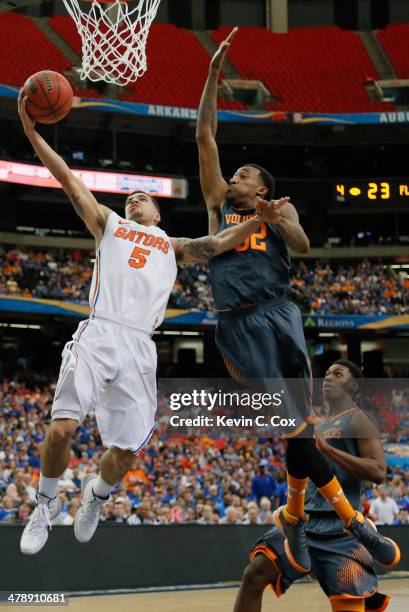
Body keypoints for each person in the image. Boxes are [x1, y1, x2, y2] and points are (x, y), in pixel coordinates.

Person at [17, 90, 272, 556]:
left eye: (145, 198)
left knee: (128, 450)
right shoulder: (108, 223)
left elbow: (216, 244)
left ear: (158, 214)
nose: (136, 198)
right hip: (100, 331)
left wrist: (257, 221)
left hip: (140, 345)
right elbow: (69, 180)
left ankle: (96, 495)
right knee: (61, 430)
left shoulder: (174, 245)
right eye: (131, 196)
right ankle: (44, 504)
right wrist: (33, 134)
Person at [196, 28, 399, 573]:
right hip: (239, 323)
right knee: (292, 422)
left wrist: (278, 220)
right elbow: (206, 139)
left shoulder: (278, 210)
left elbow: (306, 246)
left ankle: (295, 521)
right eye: (233, 174)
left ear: (260, 188)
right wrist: (212, 82)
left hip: (281, 312)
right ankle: (333, 521)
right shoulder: (218, 205)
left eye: (243, 175)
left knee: (301, 420)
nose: (232, 177)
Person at [233, 360, 400, 612]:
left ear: (353, 386)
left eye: (338, 374)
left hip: (341, 529)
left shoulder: (358, 420)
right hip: (305, 523)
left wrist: (328, 451)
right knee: (254, 574)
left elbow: (378, 472)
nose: (328, 378)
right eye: (327, 373)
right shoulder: (317, 422)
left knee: (348, 604)